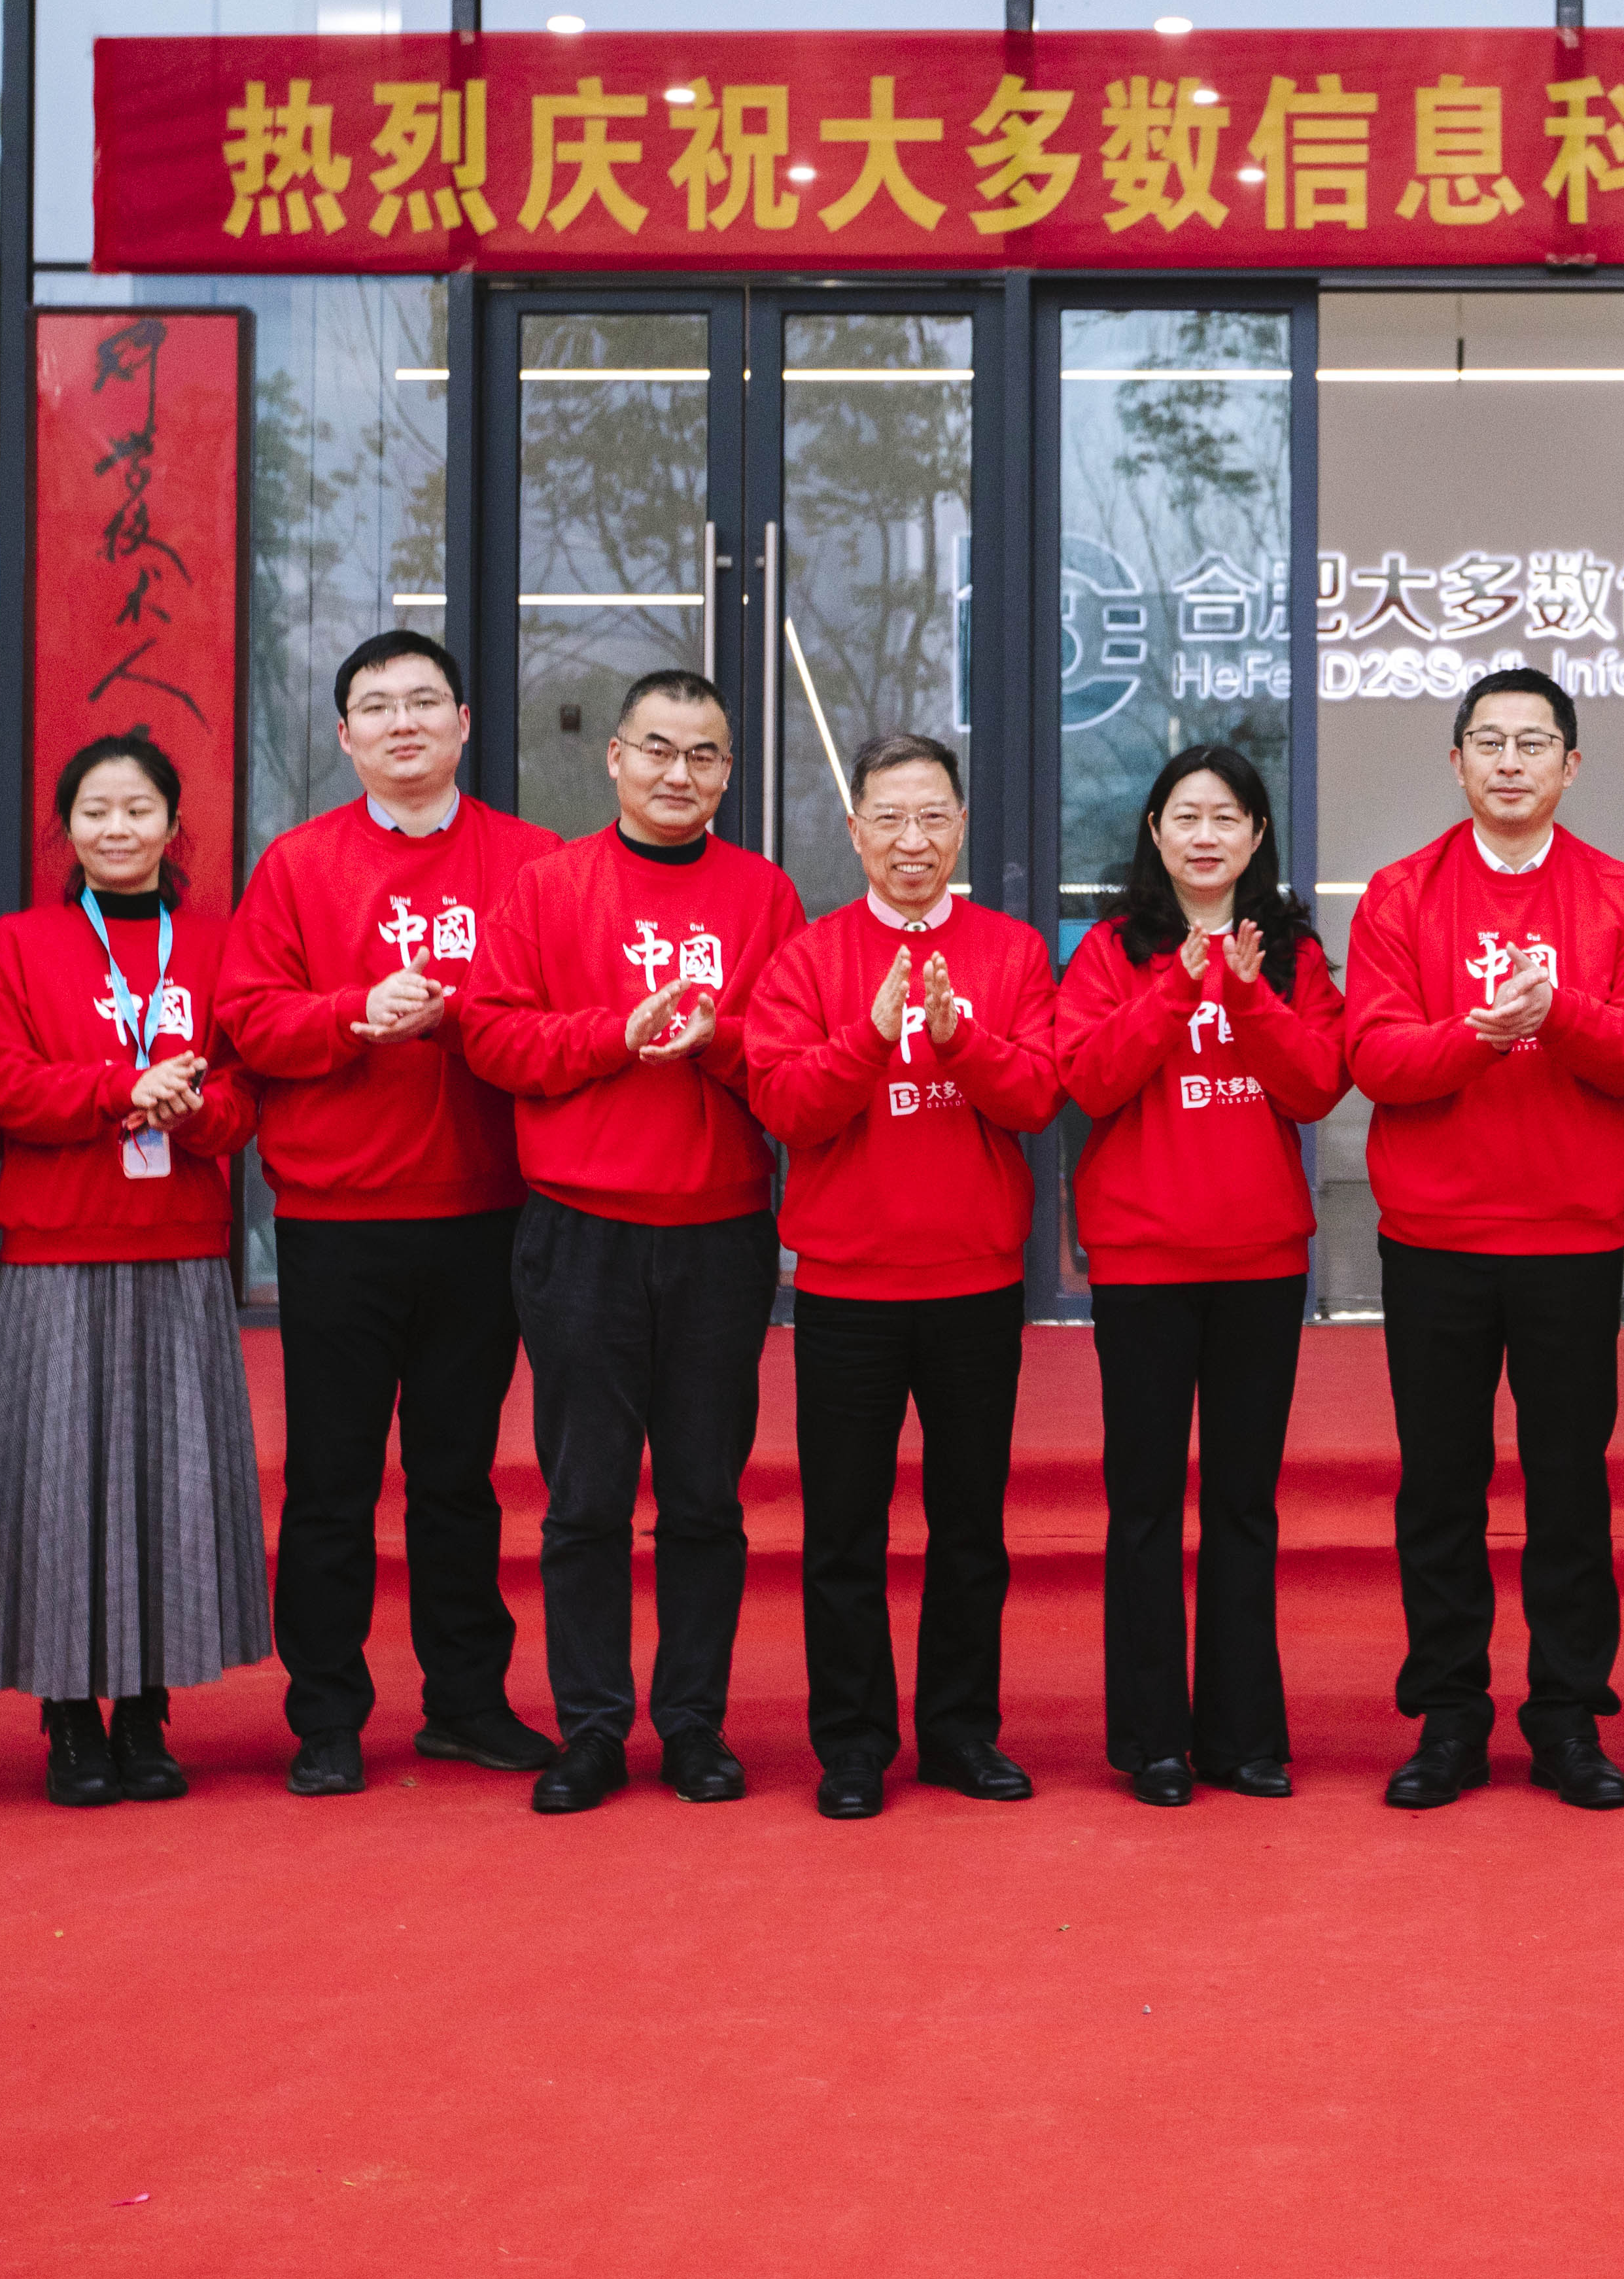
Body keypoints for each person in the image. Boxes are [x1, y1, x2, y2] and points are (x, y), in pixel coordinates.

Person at [454, 670, 804, 1815]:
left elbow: (794, 1060)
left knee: (704, 1499)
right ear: (614, 758)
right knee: (586, 1500)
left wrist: (716, 1040)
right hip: (581, 1234)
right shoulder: (549, 888)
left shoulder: (763, 895)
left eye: (703, 755)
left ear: (729, 773)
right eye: (657, 749)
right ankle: (594, 1729)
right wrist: (614, 1035)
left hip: (718, 1233)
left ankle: (694, 1725)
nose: (678, 774)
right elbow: (492, 1040)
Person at [218, 631, 561, 1796]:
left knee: (458, 1476)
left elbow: (558, 1015)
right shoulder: (298, 866)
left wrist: (460, 1020)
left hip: (483, 1211)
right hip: (338, 1221)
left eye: (424, 702)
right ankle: (325, 1715)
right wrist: (352, 1014)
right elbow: (248, 1022)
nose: (402, 722)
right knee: (332, 1481)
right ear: (345, 736)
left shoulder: (530, 862)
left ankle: (466, 1703)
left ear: (464, 724)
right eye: (377, 706)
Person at [1342, 667, 1624, 1813]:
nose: (1511, 761)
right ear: (1457, 763)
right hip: (1435, 1236)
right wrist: (1483, 1037)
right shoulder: (1400, 895)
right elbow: (1375, 1059)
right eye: (1489, 741)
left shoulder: (1622, 896)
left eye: (1535, 743)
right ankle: (1449, 1717)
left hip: (1571, 1238)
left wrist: (1559, 1013)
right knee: (1441, 1486)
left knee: (1569, 1486)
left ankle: (1569, 1717)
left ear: (1570, 767)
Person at [742, 731, 1063, 1820]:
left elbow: (1038, 1096)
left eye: (932, 817)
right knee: (845, 1530)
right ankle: (852, 1743)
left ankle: (962, 1732)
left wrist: (959, 1041)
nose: (912, 840)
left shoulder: (1011, 952)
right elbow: (785, 1108)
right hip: (849, 1288)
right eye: (889, 818)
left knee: (970, 1526)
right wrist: (870, 1039)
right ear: (855, 831)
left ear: (961, 827)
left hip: (974, 1281)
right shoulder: (810, 958)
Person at [0, 733, 270, 1808]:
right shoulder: (19, 944)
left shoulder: (217, 942)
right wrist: (120, 1088)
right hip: (56, 1249)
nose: (118, 828)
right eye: (96, 811)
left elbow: (244, 1098)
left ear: (174, 825)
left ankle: (145, 1711)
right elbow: (3, 1088)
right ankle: (66, 1716)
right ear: (68, 828)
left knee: (166, 1485)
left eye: (139, 809)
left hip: (178, 1246)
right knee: (59, 1485)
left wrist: (191, 1111)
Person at [1052, 744, 1345, 1805]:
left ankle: (1243, 1737)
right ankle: (1153, 1742)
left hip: (1260, 1259)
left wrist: (1250, 996)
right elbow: (1087, 1078)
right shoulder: (1108, 953)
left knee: (1243, 1504)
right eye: (1186, 816)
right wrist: (1178, 986)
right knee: (1143, 1504)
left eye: (1228, 817)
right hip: (1145, 1260)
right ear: (1155, 832)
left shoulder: (1294, 954)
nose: (1206, 835)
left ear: (1257, 835)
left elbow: (1317, 1085)